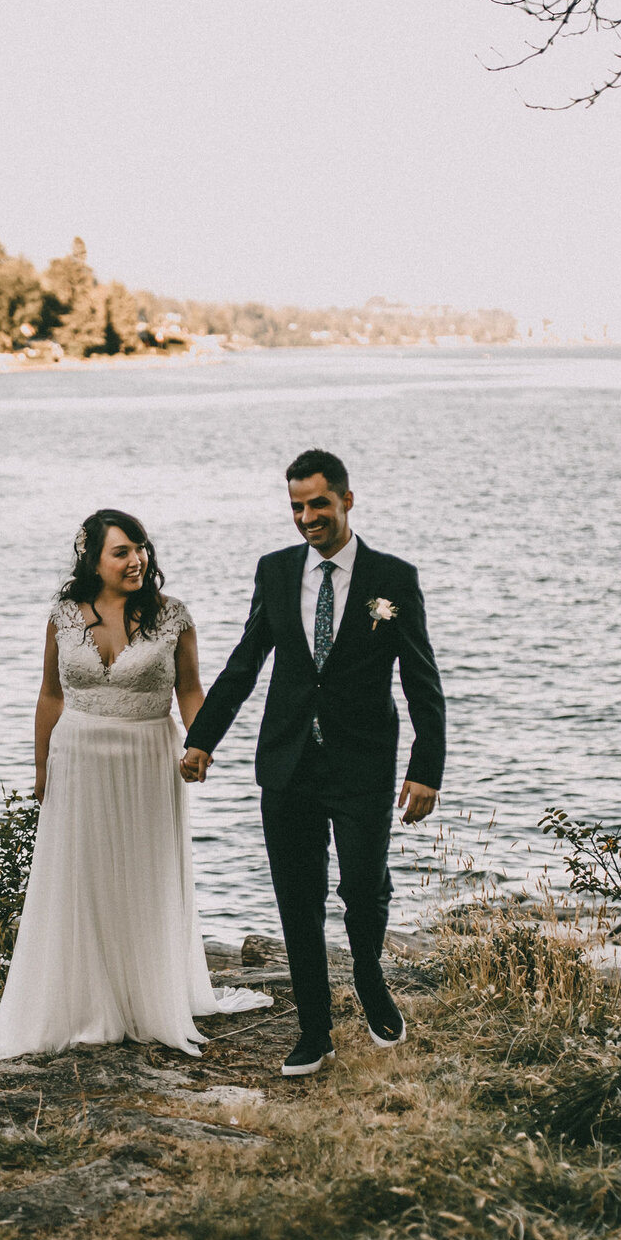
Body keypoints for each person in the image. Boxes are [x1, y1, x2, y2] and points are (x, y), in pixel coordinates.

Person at [180, 449, 446, 1078]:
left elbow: (421, 680)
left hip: (363, 765)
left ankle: (370, 978)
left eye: (318, 504)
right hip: (288, 763)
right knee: (296, 898)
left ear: (347, 500)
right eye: (296, 506)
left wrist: (426, 766)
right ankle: (314, 1030)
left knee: (362, 887)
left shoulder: (393, 577)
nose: (306, 518)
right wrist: (202, 738)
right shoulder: (274, 573)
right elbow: (244, 664)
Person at [0, 509, 272, 1059]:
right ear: (92, 560)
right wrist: (42, 769)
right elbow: (50, 694)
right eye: (120, 552)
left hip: (147, 756)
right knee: (82, 874)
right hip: (77, 757)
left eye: (139, 547)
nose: (136, 559)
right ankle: (83, 1000)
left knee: (144, 873)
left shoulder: (173, 617)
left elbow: (191, 690)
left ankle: (145, 997)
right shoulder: (64, 615)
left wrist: (201, 743)